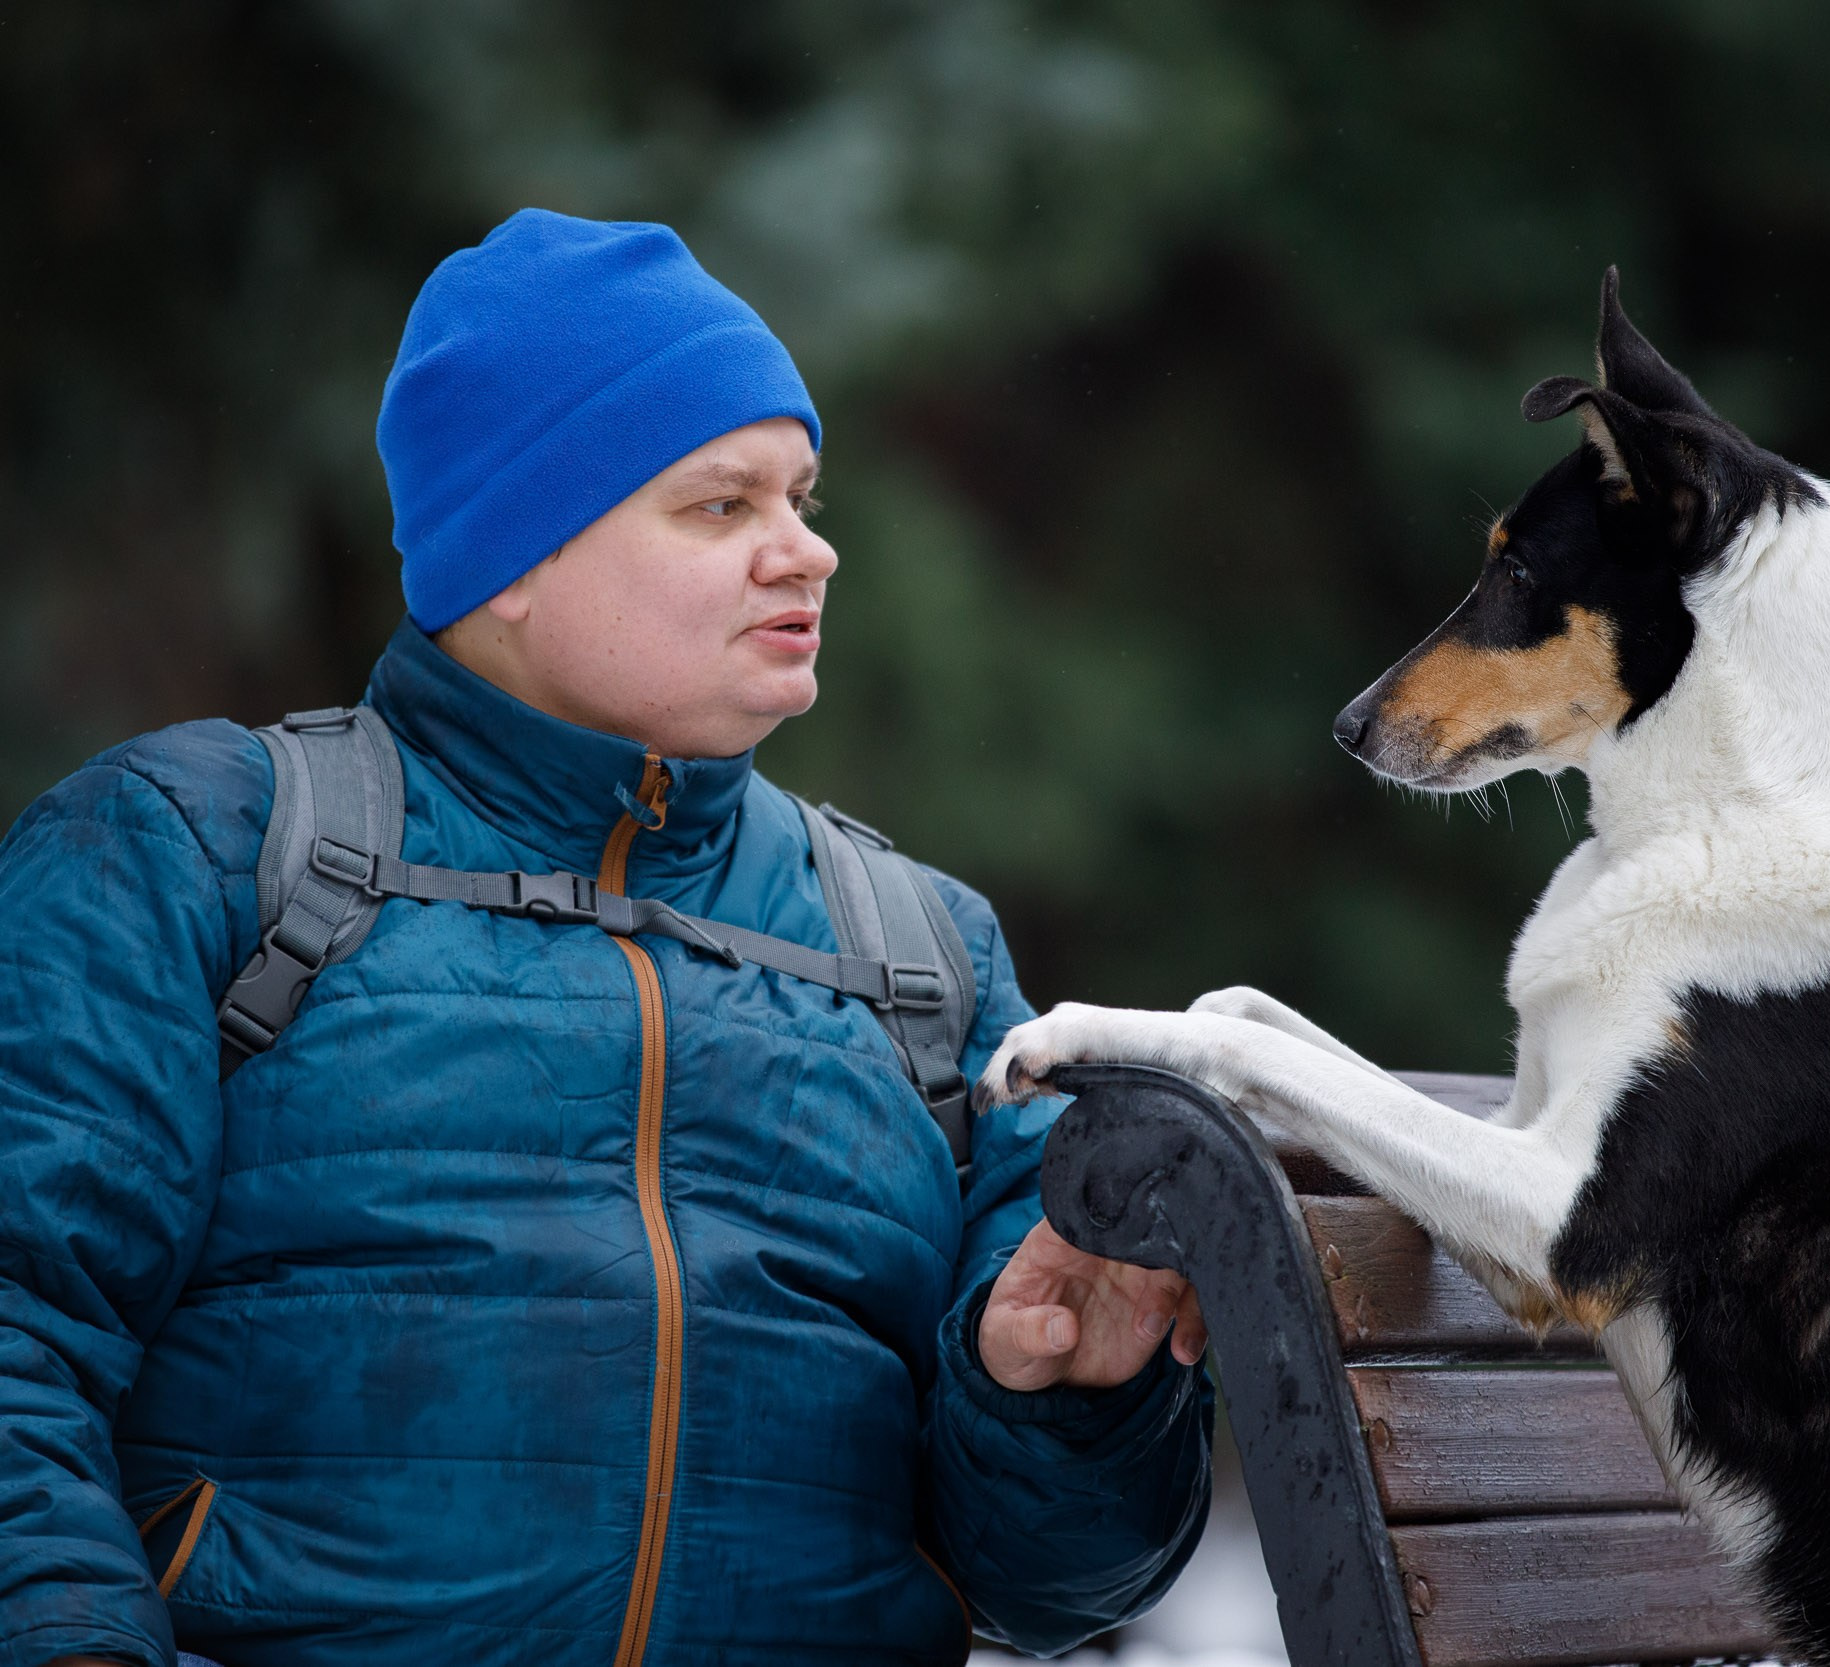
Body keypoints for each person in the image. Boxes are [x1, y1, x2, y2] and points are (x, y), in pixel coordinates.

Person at [0, 208, 1212, 1667]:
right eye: (722, 507)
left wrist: (1062, 1401)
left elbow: (1055, 1589)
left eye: (803, 498)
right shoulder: (193, 850)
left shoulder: (924, 954)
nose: (808, 553)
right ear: (512, 555)